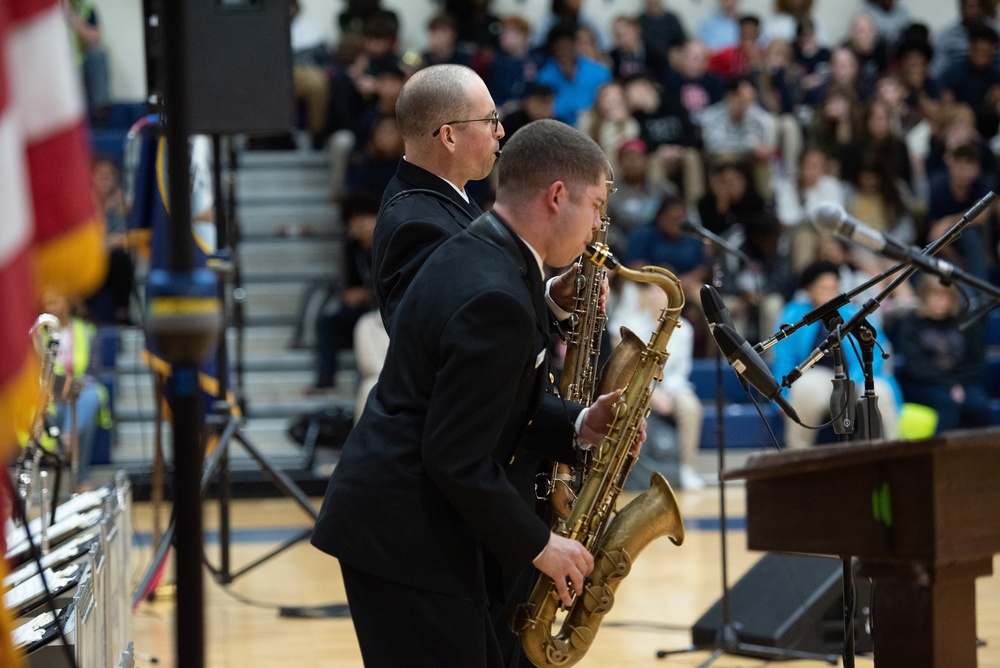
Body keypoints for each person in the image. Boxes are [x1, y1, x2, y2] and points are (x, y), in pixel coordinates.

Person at [311, 119, 629, 667]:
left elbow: (491, 402)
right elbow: (454, 455)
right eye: (597, 206)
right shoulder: (495, 293)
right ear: (557, 196)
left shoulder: (487, 249)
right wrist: (542, 545)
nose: (600, 227)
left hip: (409, 523)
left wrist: (579, 425)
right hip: (406, 535)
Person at [771, 260, 901, 449]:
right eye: (823, 288)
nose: (829, 293)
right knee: (805, 388)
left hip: (858, 377)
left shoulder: (854, 312)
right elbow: (784, 360)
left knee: (879, 391)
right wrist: (781, 398)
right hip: (819, 377)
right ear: (810, 289)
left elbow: (877, 351)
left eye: (833, 288)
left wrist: (854, 380)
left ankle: (890, 456)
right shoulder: (794, 315)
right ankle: (798, 457)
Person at [892, 274, 992, 434]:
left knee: (978, 405)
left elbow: (976, 359)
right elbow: (915, 365)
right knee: (947, 404)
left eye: (945, 295)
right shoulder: (911, 323)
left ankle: (981, 454)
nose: (940, 301)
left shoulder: (964, 321)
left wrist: (957, 384)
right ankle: (942, 455)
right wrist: (949, 385)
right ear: (924, 295)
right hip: (923, 383)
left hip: (963, 381)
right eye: (934, 295)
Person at [308, 193, 379, 393]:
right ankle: (326, 378)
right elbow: (344, 285)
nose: (360, 225)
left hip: (386, 311)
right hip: (363, 311)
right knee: (328, 322)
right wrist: (349, 296)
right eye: (355, 220)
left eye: (365, 218)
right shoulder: (352, 250)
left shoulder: (390, 244)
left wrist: (366, 294)